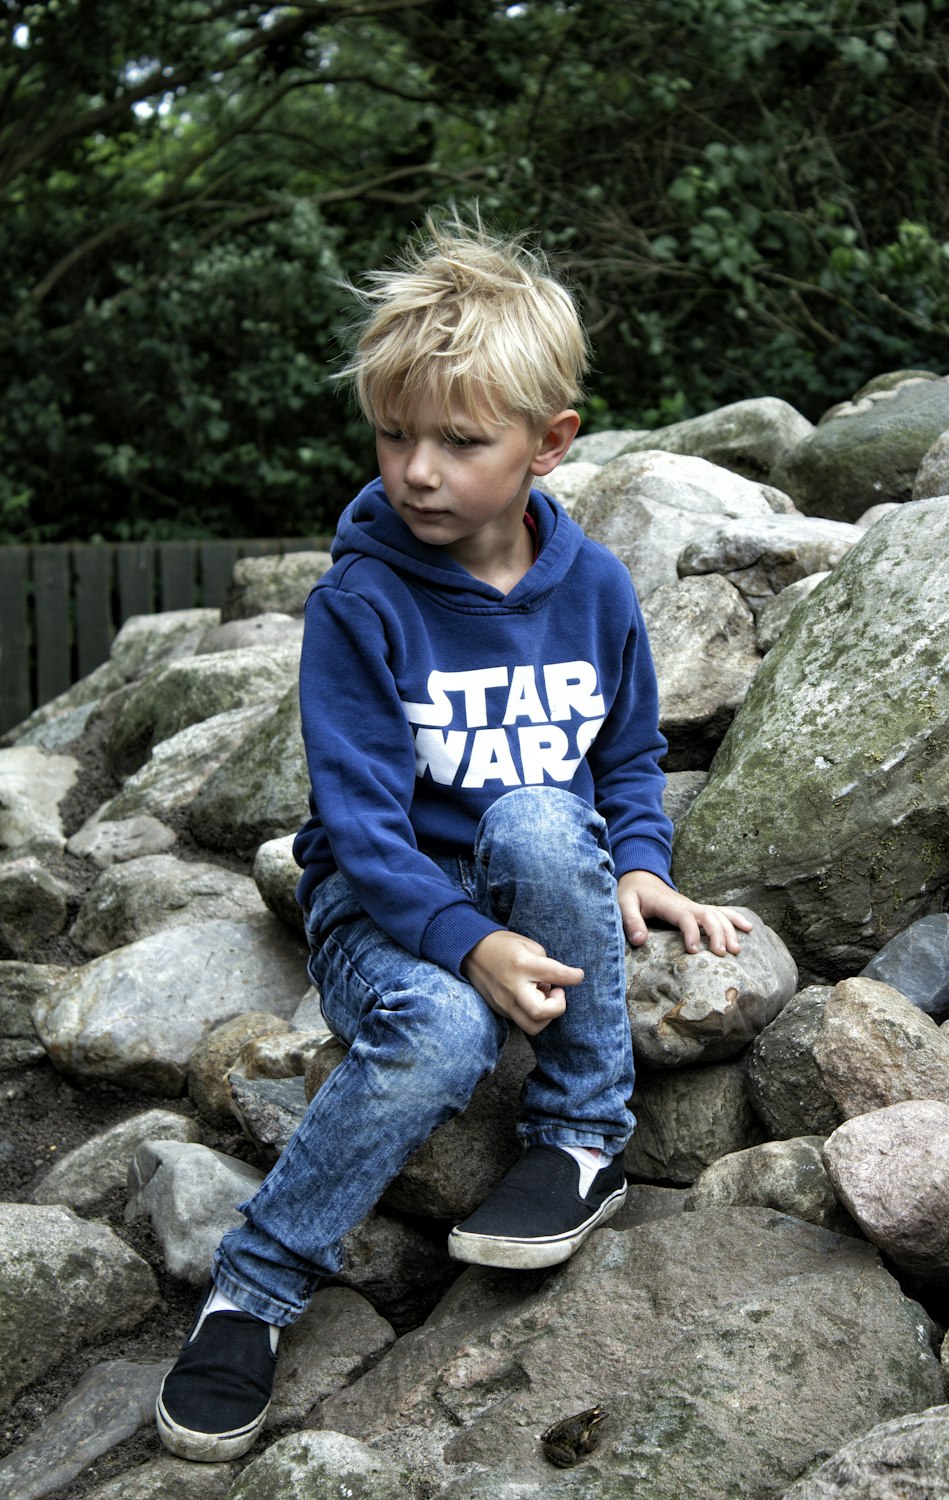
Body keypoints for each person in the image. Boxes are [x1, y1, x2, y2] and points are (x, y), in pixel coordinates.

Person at [155, 211, 752, 1463]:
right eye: (393, 434)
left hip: (529, 873)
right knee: (439, 1030)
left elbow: (626, 757)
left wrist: (639, 864)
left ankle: (582, 1136)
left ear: (549, 445)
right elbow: (362, 831)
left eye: (459, 442)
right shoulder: (360, 603)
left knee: (544, 817)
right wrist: (470, 945)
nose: (415, 470)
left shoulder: (592, 590)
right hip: (385, 900)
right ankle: (252, 1291)